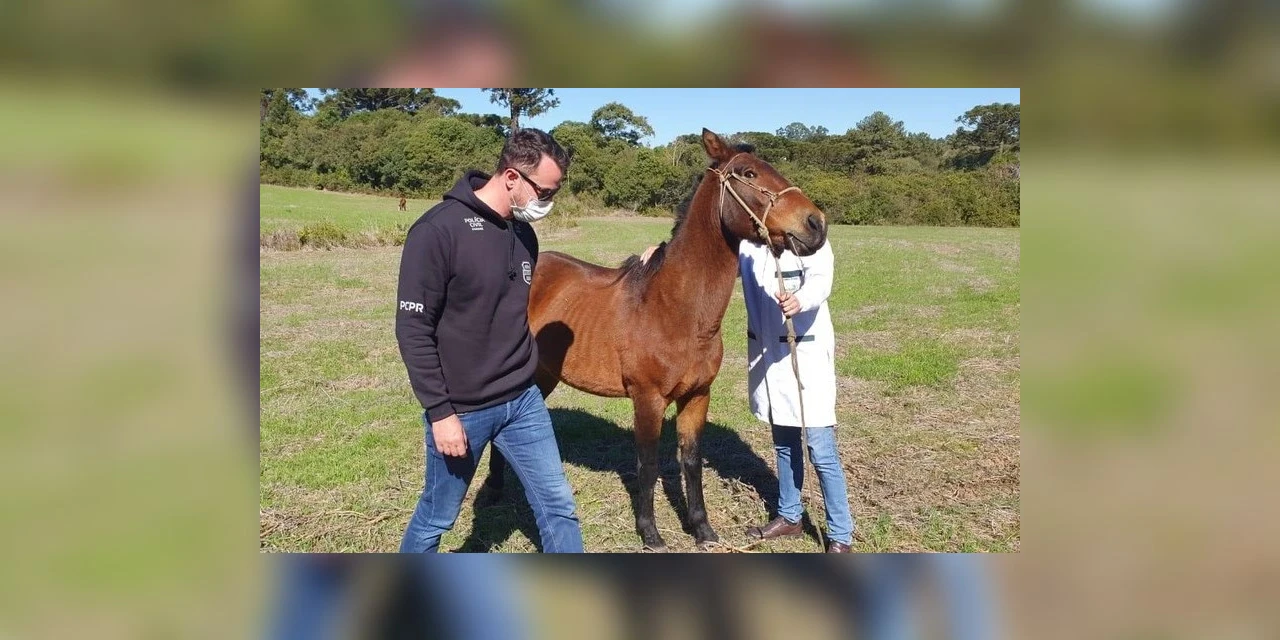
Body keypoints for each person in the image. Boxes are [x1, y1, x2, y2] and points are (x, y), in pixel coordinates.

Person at [395, 128, 582, 553]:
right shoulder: (436, 232)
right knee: (437, 516)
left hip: (523, 401)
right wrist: (441, 413)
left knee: (558, 505)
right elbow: (413, 328)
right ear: (512, 177)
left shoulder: (523, 235)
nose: (547, 203)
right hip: (463, 409)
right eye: (545, 192)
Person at [641, 236, 855, 552]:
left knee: (820, 448)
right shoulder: (750, 248)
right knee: (783, 441)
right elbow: (707, 254)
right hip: (769, 357)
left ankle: (840, 534)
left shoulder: (810, 241)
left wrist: (801, 299)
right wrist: (664, 250)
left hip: (804, 353)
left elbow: (822, 280)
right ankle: (790, 515)